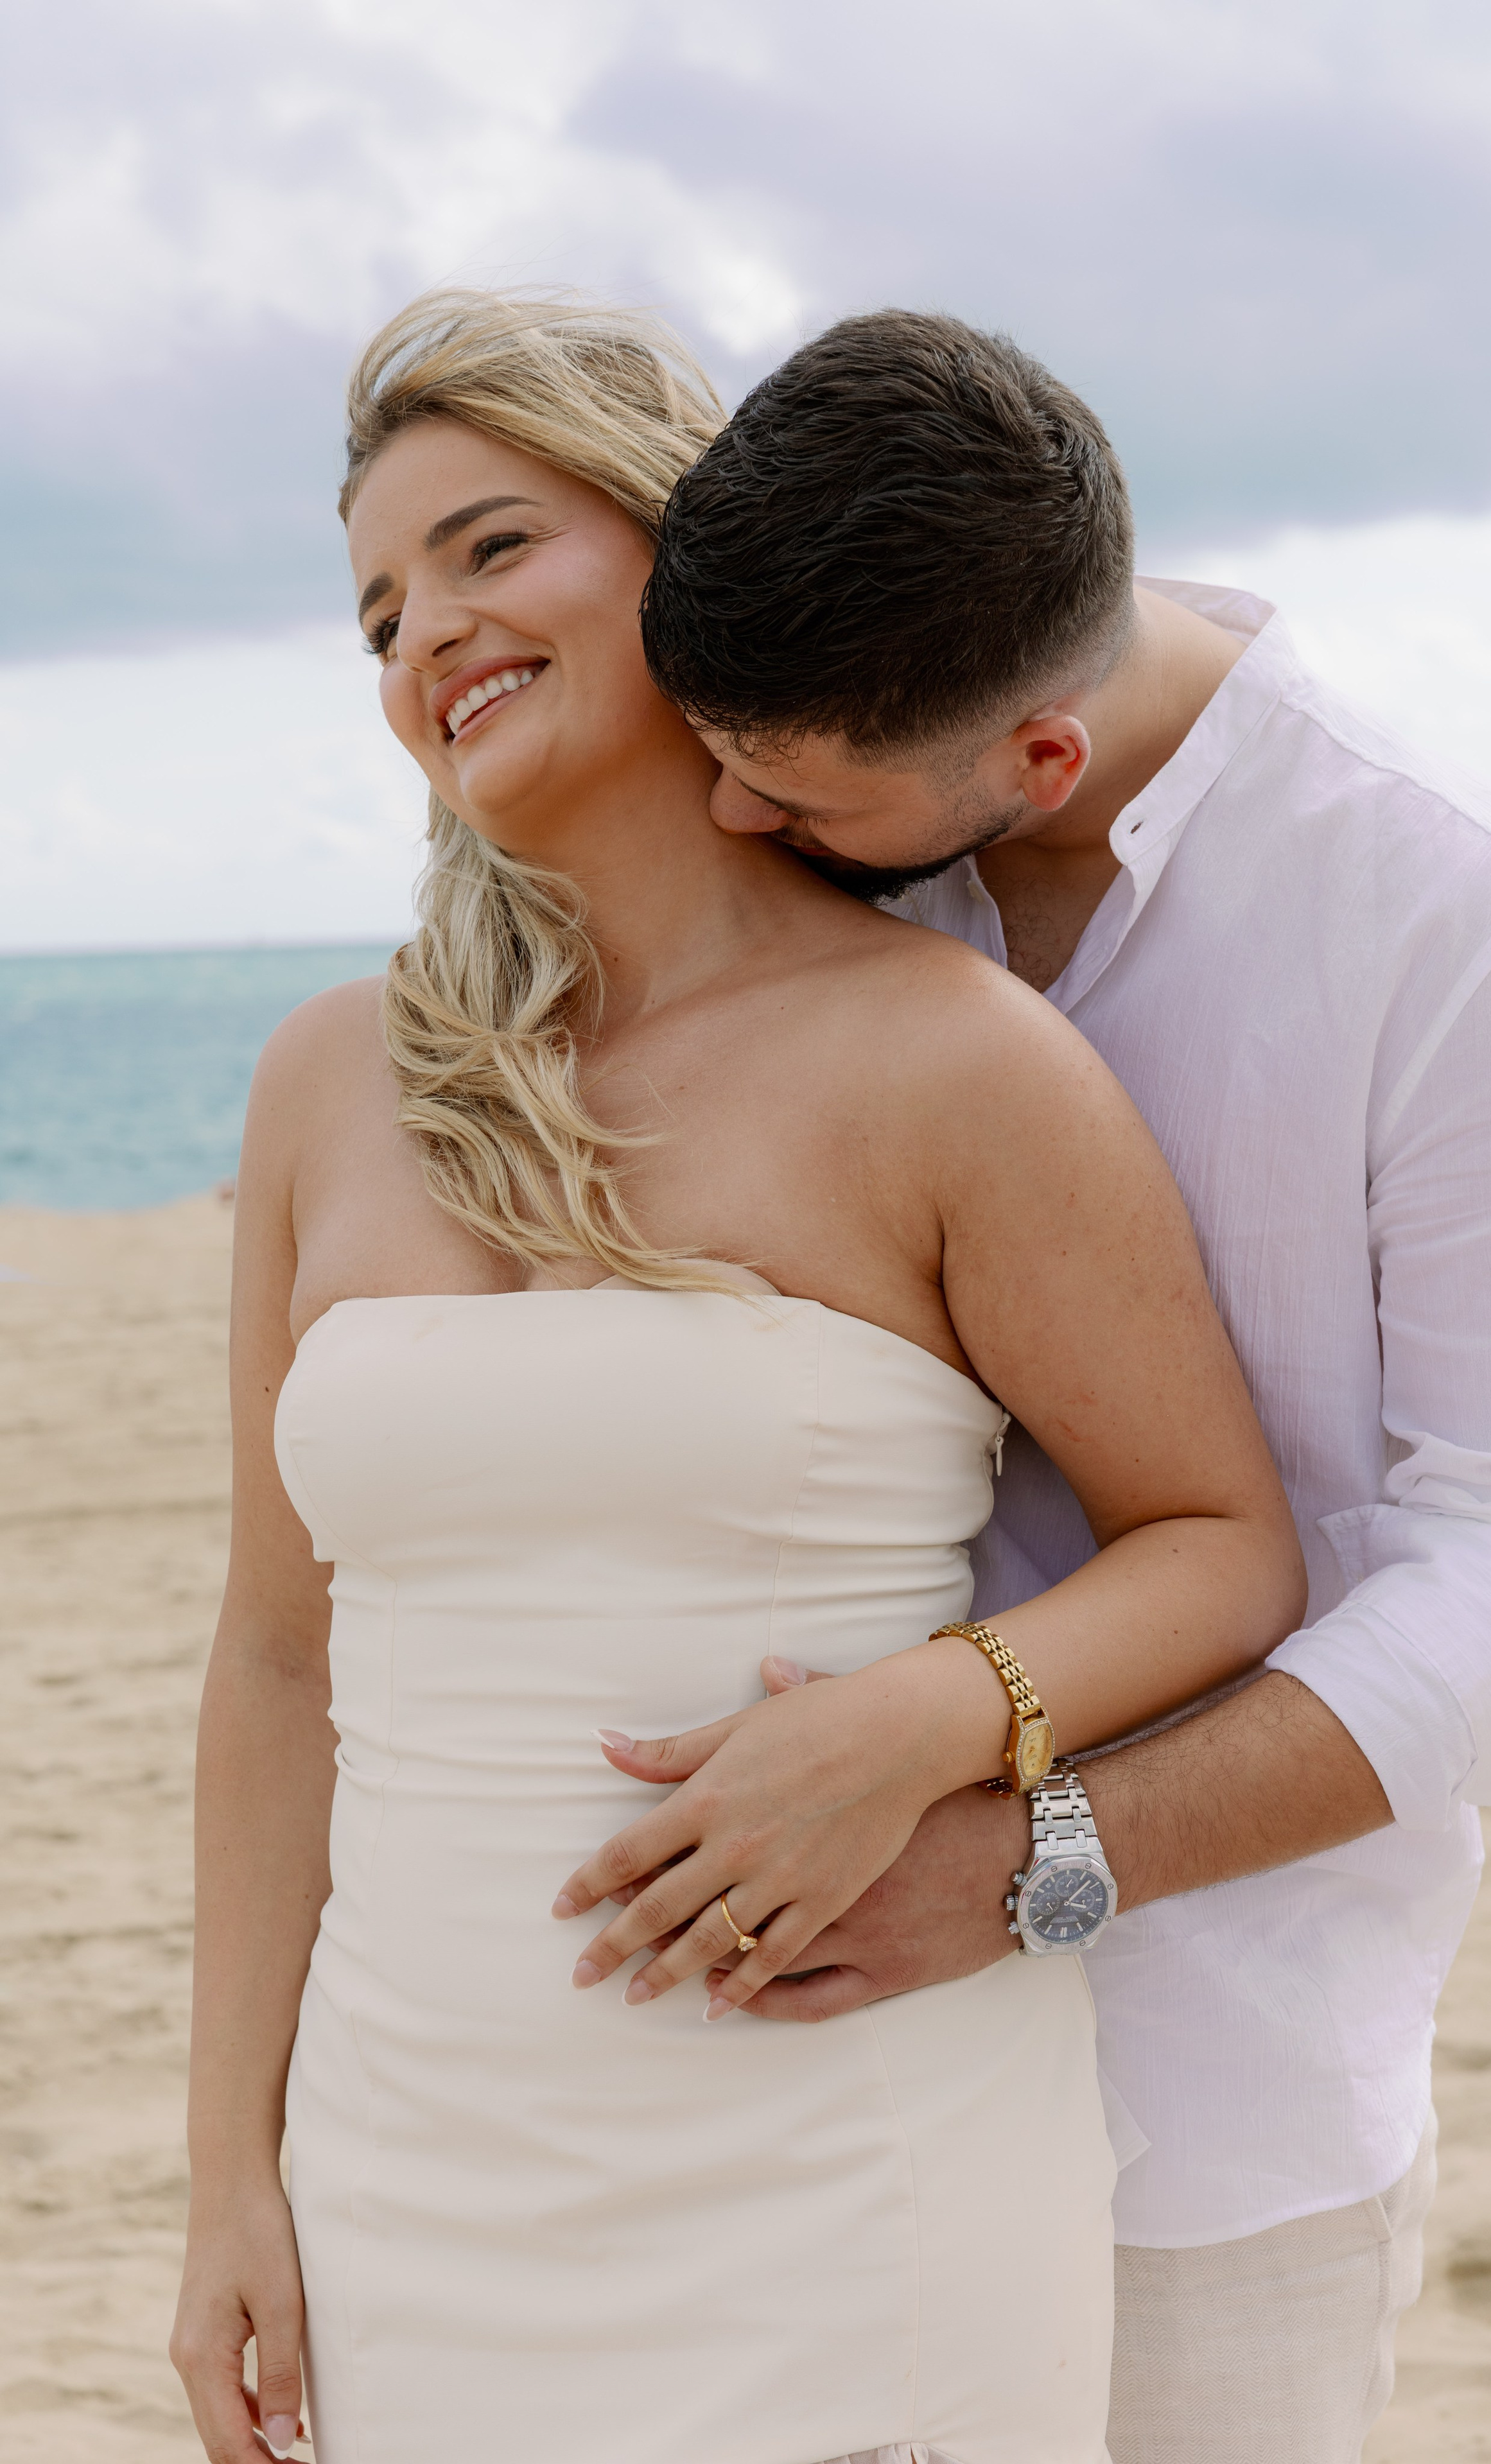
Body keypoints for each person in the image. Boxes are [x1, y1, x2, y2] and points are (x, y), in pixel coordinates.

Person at [167, 290, 1307, 2464]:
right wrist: (233, 2171)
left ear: (674, 546)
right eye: (381, 608)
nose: (428, 633)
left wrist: (930, 1719)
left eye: (492, 548)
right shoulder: (329, 1083)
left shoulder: (959, 1062)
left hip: (846, 2163)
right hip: (411, 2171)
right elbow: (274, 1664)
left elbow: (1223, 1546)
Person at [636, 309, 1491, 2464]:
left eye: (785, 787)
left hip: (1208, 2099)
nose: (721, 813)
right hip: (771, 2078)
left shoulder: (1476, 921)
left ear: (1042, 767)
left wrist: (1031, 1857)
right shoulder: (810, 844)